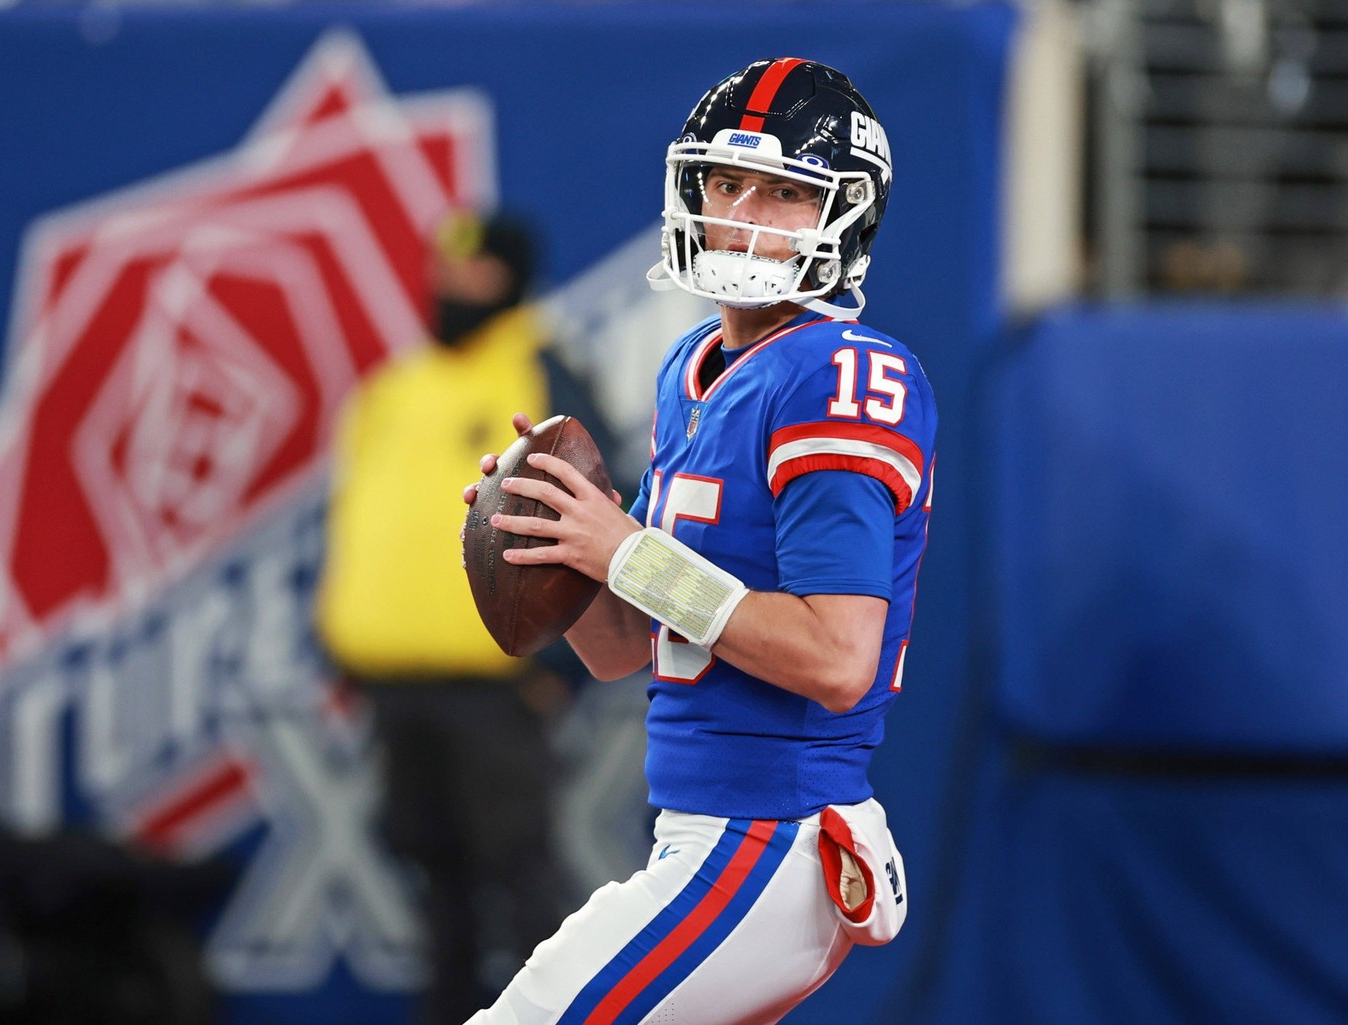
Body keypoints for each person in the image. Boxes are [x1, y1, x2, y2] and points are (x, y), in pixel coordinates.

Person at [462, 58, 936, 1025]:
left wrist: (622, 549)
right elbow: (625, 651)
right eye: (727, 183)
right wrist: (559, 543)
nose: (746, 212)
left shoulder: (840, 374)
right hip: (700, 831)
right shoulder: (695, 366)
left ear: (844, 216)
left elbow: (839, 659)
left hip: (772, 834)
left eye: (785, 191)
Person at [314, 210, 579, 1025]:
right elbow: (360, 523)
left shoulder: (544, 376)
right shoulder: (392, 389)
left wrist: (559, 668)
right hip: (395, 684)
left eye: (479, 272)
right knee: (435, 882)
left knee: (524, 881)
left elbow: (601, 522)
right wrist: (349, 651)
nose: (454, 287)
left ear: (513, 280)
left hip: (494, 688)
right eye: (446, 269)